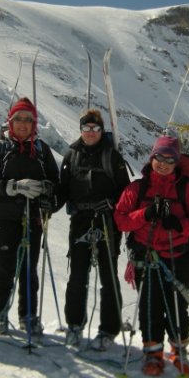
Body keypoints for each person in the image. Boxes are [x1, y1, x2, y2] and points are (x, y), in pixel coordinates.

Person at [114, 136, 189, 376]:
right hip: (147, 257)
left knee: (177, 308)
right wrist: (145, 214)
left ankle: (178, 351)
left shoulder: (186, 190)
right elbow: (121, 219)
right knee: (149, 307)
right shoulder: (138, 188)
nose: (163, 163)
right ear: (152, 157)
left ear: (177, 162)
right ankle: (153, 354)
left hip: (178, 258)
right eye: (159, 157)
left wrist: (178, 224)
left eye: (169, 159)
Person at [0, 97, 59, 335]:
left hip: (32, 218)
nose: (23, 124)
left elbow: (56, 185)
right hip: (4, 218)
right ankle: (0, 312)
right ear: (10, 122)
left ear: (34, 123)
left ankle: (28, 316)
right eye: (18, 119)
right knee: (5, 267)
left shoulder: (43, 151)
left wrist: (46, 192)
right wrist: (12, 187)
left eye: (28, 119)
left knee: (28, 268)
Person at [57, 109, 130, 349]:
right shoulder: (72, 155)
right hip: (80, 220)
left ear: (101, 131)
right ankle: (74, 325)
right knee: (78, 275)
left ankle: (108, 330)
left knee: (108, 277)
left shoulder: (113, 157)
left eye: (95, 129)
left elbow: (126, 193)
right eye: (86, 129)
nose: (90, 133)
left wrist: (111, 203)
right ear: (80, 130)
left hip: (106, 222)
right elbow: (63, 190)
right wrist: (49, 203)